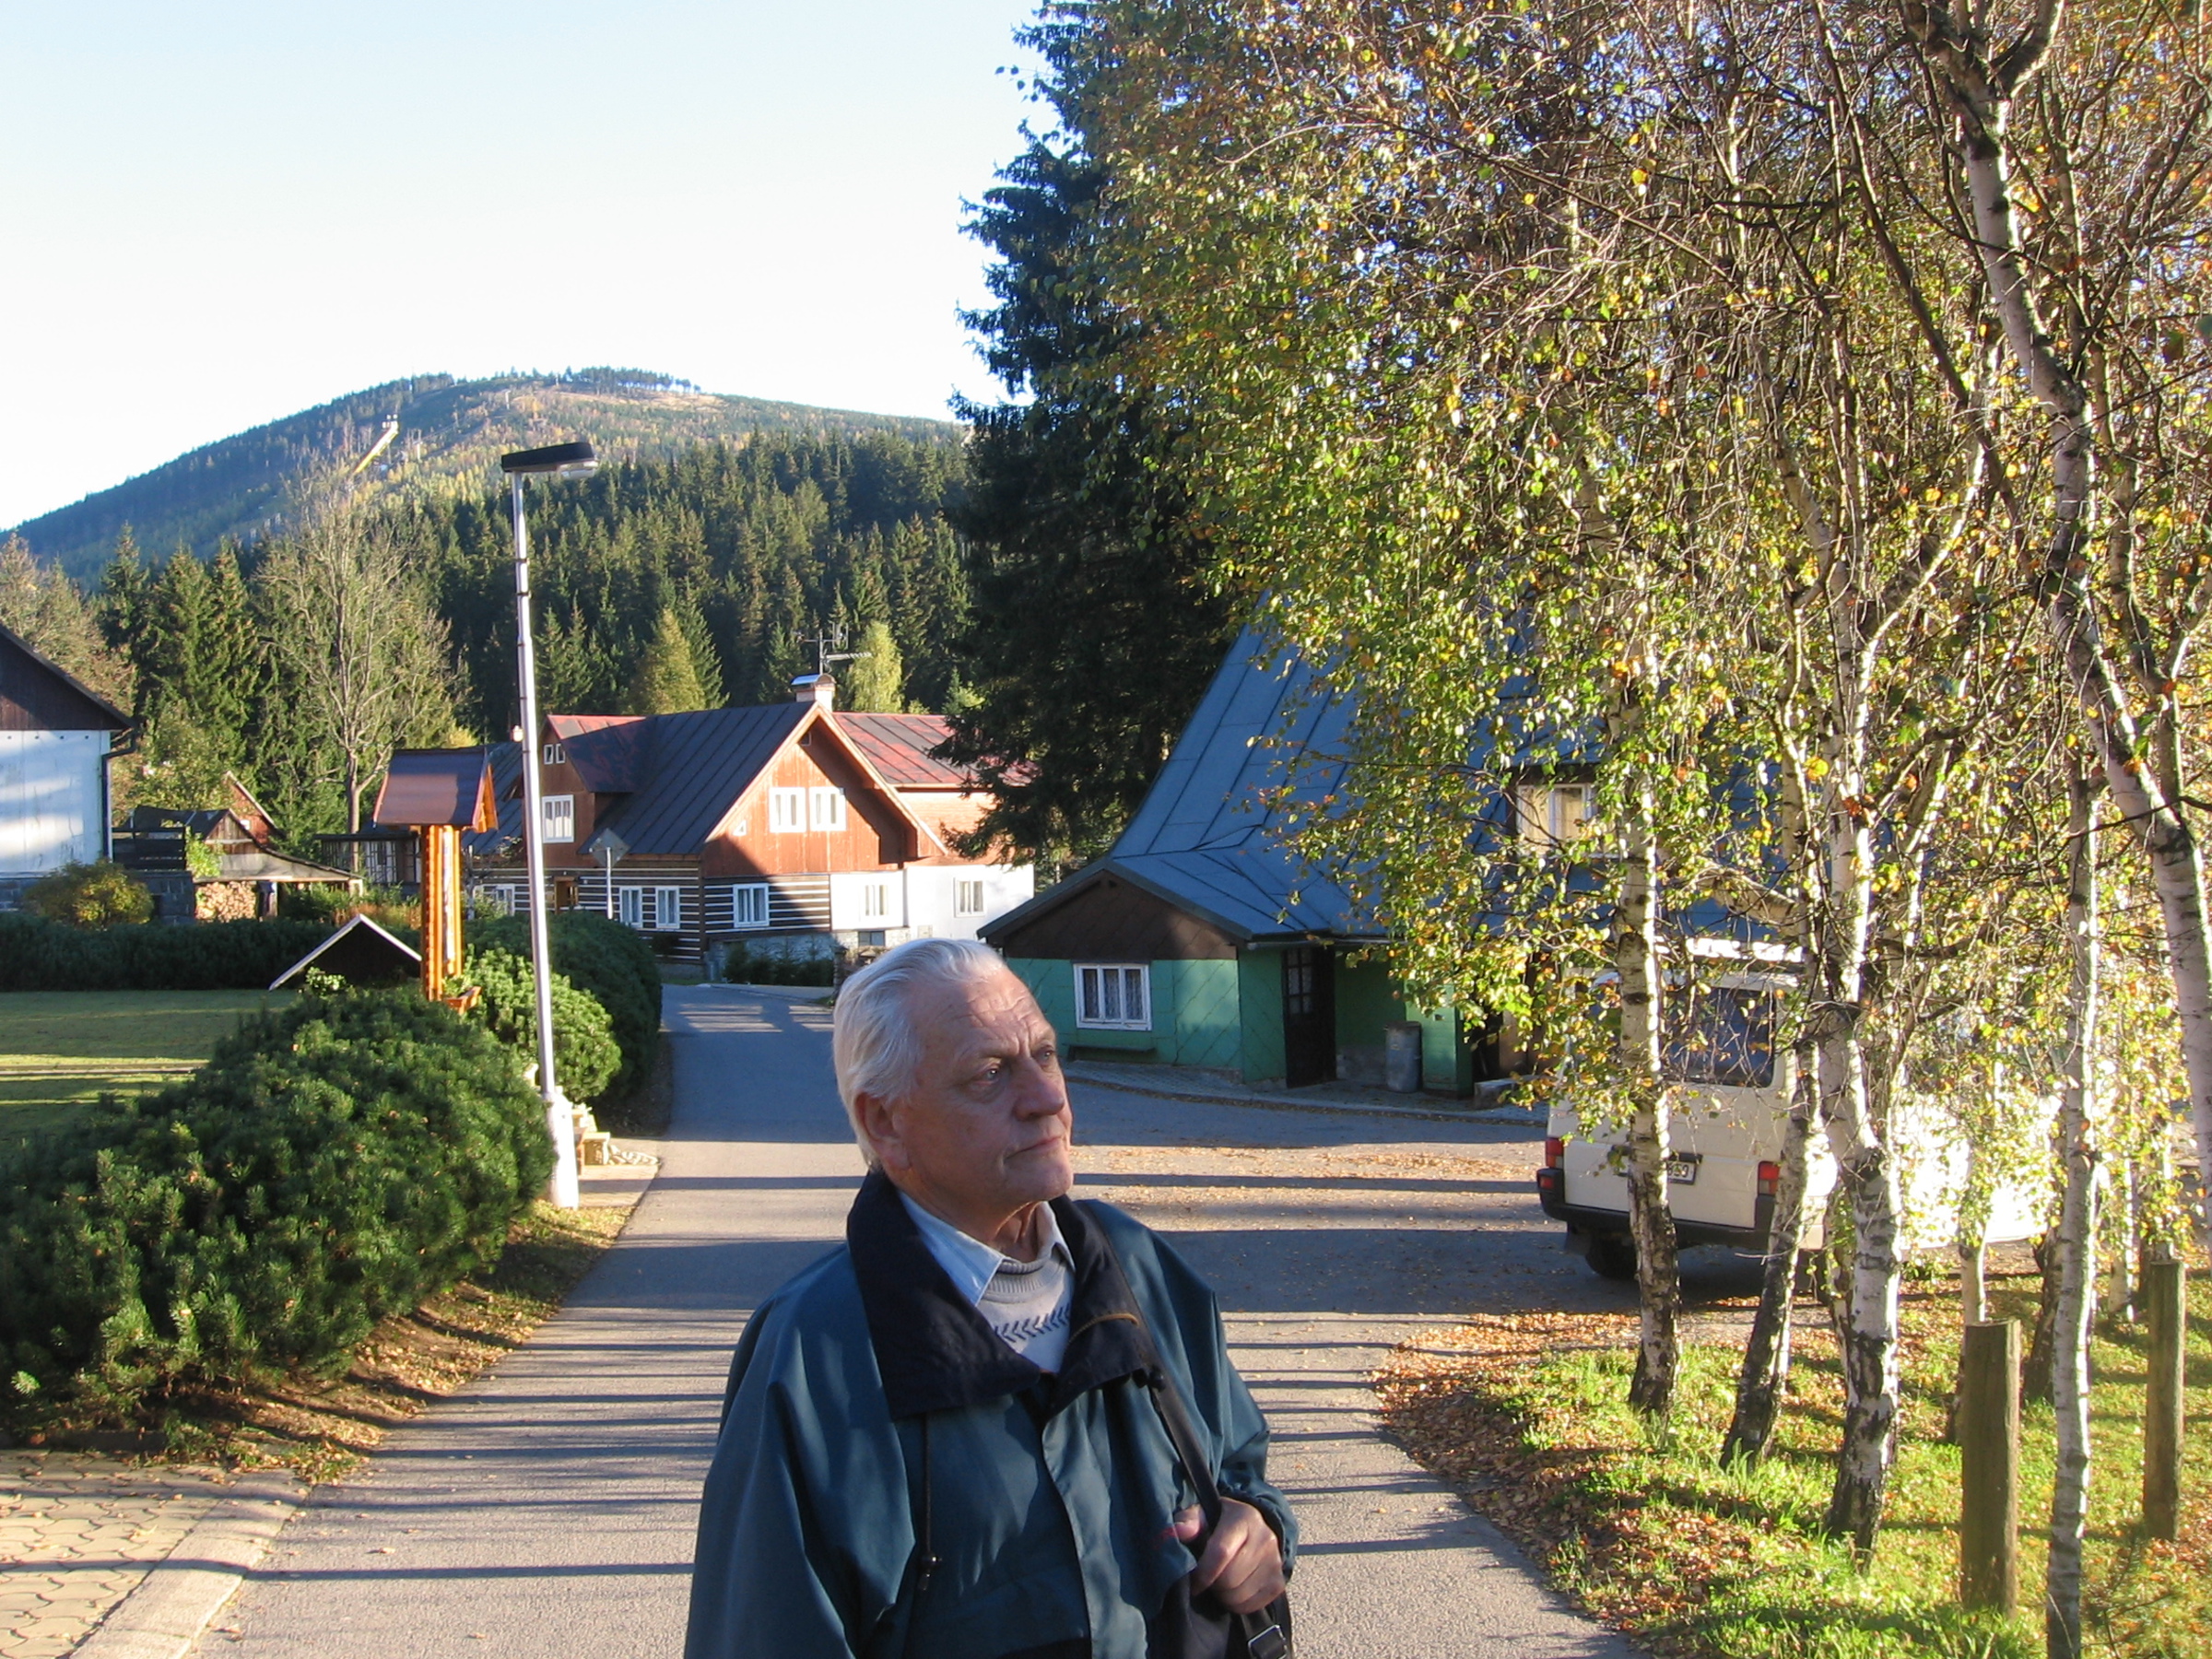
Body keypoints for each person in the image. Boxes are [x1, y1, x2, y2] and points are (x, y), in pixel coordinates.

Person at [685, 937, 1293, 1659]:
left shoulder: (1136, 1263)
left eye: (1045, 1054)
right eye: (990, 1074)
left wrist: (1257, 1524)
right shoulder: (815, 1351)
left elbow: (1237, 1468)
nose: (1047, 1099)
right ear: (886, 1123)